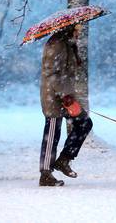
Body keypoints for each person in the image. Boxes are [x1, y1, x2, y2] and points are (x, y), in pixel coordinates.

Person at [38, 24, 93, 186]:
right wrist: (66, 96)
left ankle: (64, 159)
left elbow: (67, 73)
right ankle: (45, 174)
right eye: (78, 28)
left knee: (84, 123)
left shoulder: (67, 44)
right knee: (52, 135)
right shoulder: (56, 45)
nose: (80, 31)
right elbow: (52, 74)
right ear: (69, 28)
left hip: (65, 97)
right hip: (54, 97)